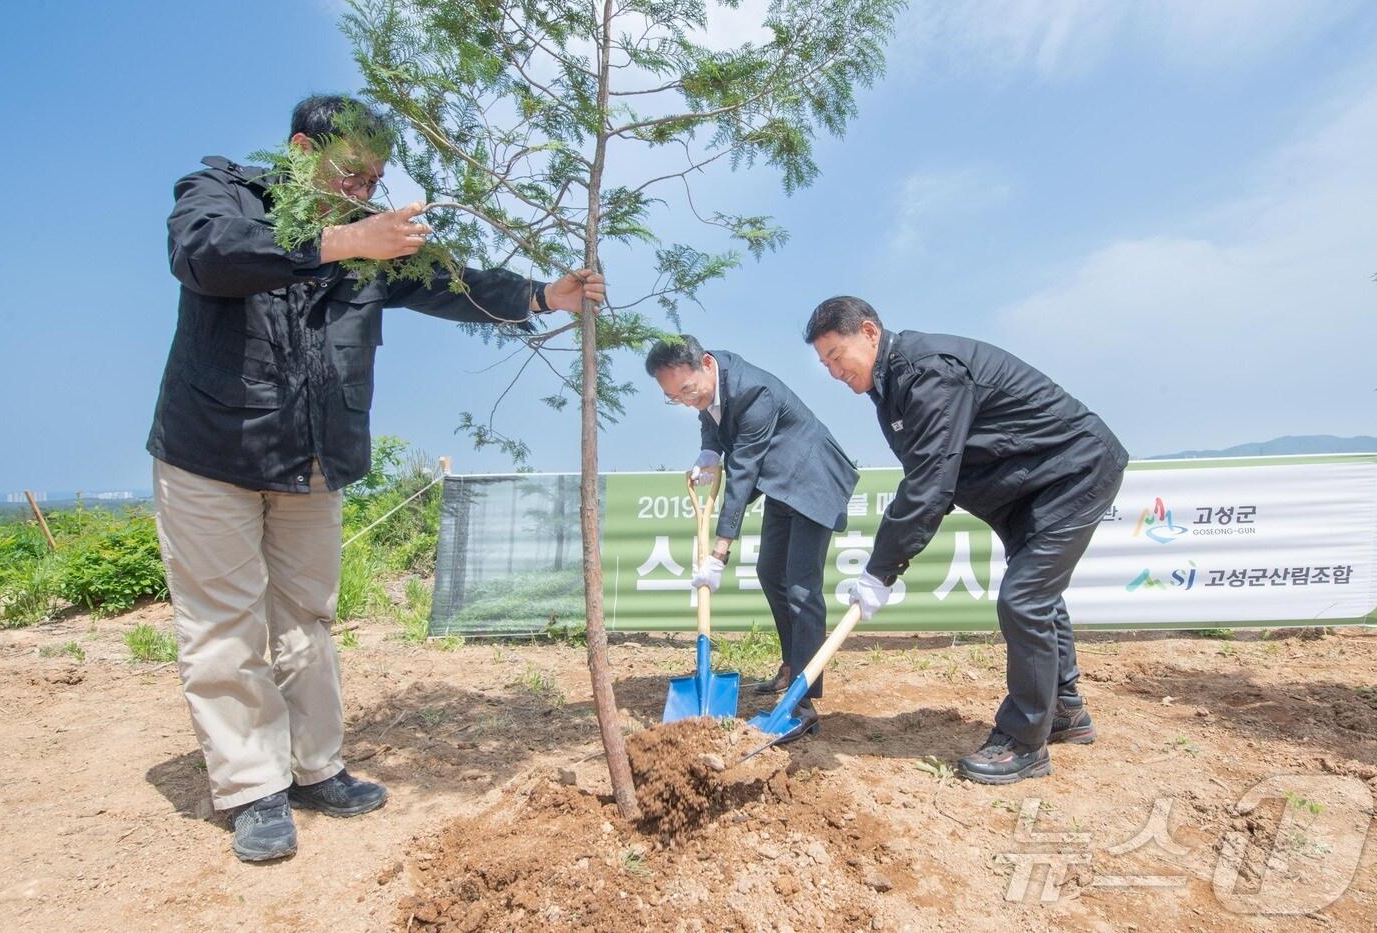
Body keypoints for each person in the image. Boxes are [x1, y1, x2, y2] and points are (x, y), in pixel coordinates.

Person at [148, 94, 604, 861]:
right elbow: (205, 255)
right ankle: (253, 787)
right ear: (300, 150)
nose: (365, 191)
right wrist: (341, 238)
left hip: (314, 460)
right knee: (225, 627)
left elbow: (448, 282)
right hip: (211, 453)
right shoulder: (222, 193)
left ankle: (315, 767)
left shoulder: (373, 243)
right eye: (352, 174)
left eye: (375, 179)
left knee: (308, 618)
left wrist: (538, 294)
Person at [804, 296, 1127, 784]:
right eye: (824, 363)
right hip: (1028, 486)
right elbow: (931, 477)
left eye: (836, 355)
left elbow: (930, 484)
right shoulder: (891, 389)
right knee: (1037, 596)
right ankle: (1064, 711)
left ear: (869, 333)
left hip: (1073, 473)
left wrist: (880, 569)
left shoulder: (929, 373)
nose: (833, 371)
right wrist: (889, 560)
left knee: (1024, 600)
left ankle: (1025, 742)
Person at [645, 335, 858, 739]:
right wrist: (708, 452)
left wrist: (719, 552)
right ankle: (792, 665)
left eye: (686, 390)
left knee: (800, 588)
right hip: (780, 484)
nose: (686, 400)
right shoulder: (710, 387)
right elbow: (709, 416)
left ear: (706, 364)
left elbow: (743, 470)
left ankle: (803, 700)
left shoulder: (754, 390)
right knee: (770, 573)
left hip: (813, 479)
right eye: (674, 397)